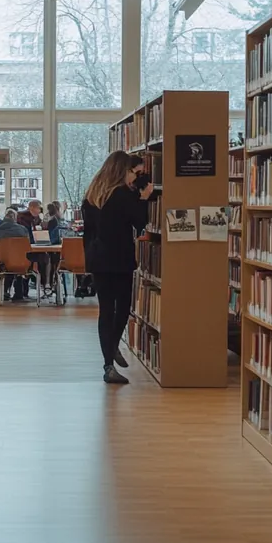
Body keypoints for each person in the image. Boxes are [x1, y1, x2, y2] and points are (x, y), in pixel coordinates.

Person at [81, 151, 152, 384]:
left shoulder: (91, 195)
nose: (135, 177)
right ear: (123, 171)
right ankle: (112, 347)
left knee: (105, 310)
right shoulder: (121, 194)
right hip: (119, 259)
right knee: (122, 308)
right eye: (134, 172)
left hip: (97, 259)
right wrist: (144, 198)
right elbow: (139, 222)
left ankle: (108, 363)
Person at [0, 208, 35, 302]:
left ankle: (1, 292)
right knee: (22, 263)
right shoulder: (22, 229)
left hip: (2, 262)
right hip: (22, 262)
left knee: (8, 263)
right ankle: (19, 293)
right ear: (15, 218)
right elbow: (29, 245)